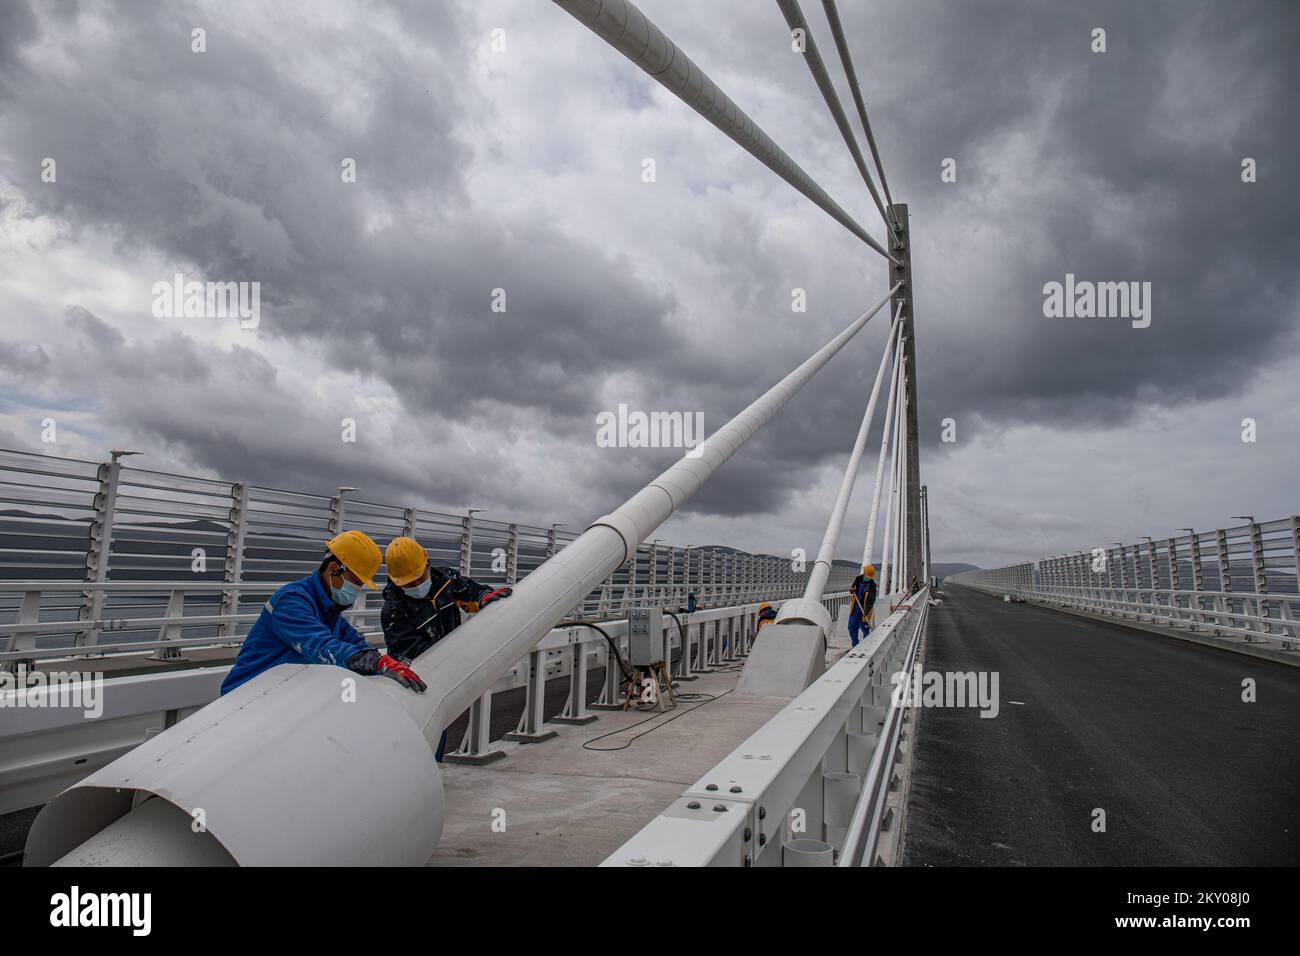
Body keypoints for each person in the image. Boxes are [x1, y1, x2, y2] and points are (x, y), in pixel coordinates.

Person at [221, 530, 427, 696]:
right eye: (355, 581)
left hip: (272, 696)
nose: (356, 590)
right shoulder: (292, 601)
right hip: (243, 697)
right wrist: (376, 663)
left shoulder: (328, 611)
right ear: (333, 569)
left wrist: (386, 661)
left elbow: (354, 642)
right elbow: (320, 645)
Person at [381, 536, 512, 760]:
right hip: (421, 678)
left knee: (439, 732)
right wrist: (450, 660)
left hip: (445, 667)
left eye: (418, 578)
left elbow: (470, 592)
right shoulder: (394, 611)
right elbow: (409, 651)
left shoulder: (445, 580)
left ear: (427, 564)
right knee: (424, 736)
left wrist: (483, 596)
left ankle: (433, 771)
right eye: (408, 584)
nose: (415, 586)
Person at [847, 564, 878, 647]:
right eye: (867, 576)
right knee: (851, 628)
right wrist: (852, 590)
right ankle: (855, 645)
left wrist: (865, 611)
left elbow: (871, 601)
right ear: (864, 573)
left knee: (865, 630)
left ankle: (866, 646)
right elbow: (852, 588)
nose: (867, 578)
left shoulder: (872, 586)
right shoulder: (858, 579)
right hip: (855, 610)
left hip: (864, 611)